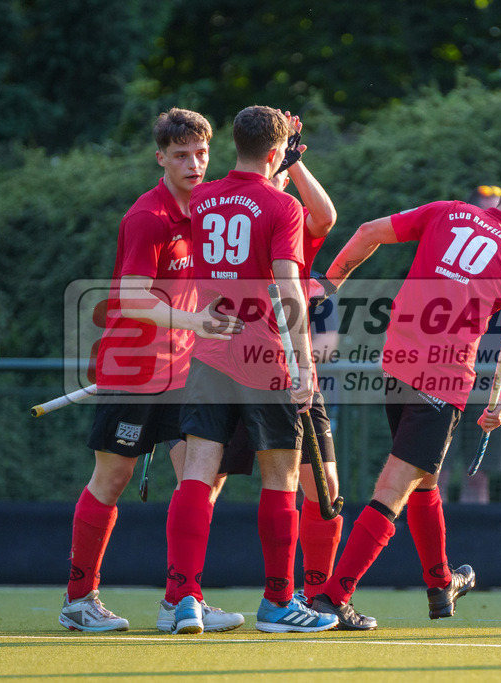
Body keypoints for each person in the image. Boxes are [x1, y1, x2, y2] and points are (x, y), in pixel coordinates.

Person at [306, 168, 501, 628]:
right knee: (394, 487)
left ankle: (442, 584)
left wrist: (331, 281)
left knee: (425, 478)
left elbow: (367, 232)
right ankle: (334, 598)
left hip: (396, 363)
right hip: (443, 379)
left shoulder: (446, 212)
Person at [59, 108, 244, 633]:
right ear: (160, 157)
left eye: (202, 153)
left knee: (205, 477)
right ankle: (79, 600)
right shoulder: (148, 217)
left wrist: (286, 156)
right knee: (111, 478)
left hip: (188, 369)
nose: (194, 163)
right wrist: (197, 322)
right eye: (182, 155)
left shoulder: (211, 210)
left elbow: (259, 197)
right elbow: (133, 298)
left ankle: (180, 598)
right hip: (134, 368)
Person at [165, 104, 337, 635]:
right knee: (280, 479)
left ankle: (185, 599)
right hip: (265, 355)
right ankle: (279, 604)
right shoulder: (280, 205)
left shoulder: (204, 196)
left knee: (197, 475)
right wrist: (305, 365)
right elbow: (288, 288)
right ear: (277, 153)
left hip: (211, 350)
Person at [220, 115, 346, 610]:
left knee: (324, 487)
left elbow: (326, 218)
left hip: (288, 368)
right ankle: (186, 594)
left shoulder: (287, 214)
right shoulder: (231, 211)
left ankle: (315, 597)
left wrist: (292, 164)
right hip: (233, 362)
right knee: (207, 480)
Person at [438, 185, 501, 504]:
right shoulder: (449, 259)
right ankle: (430, 549)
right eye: (485, 215)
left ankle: (470, 549)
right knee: (434, 471)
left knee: (477, 474)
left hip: (487, 384)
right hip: (444, 379)